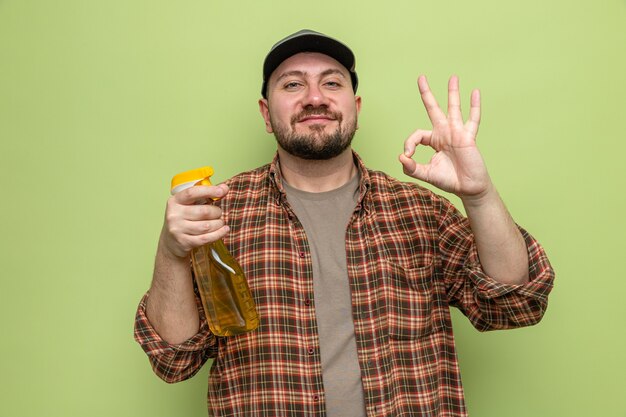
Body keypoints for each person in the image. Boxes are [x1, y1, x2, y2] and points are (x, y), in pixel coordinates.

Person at [134, 29, 555, 416]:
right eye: (293, 84)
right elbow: (173, 359)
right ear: (266, 114)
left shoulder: (420, 212)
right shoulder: (218, 213)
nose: (315, 97)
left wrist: (478, 195)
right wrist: (171, 251)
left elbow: (517, 301)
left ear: (355, 108)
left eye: (332, 82)